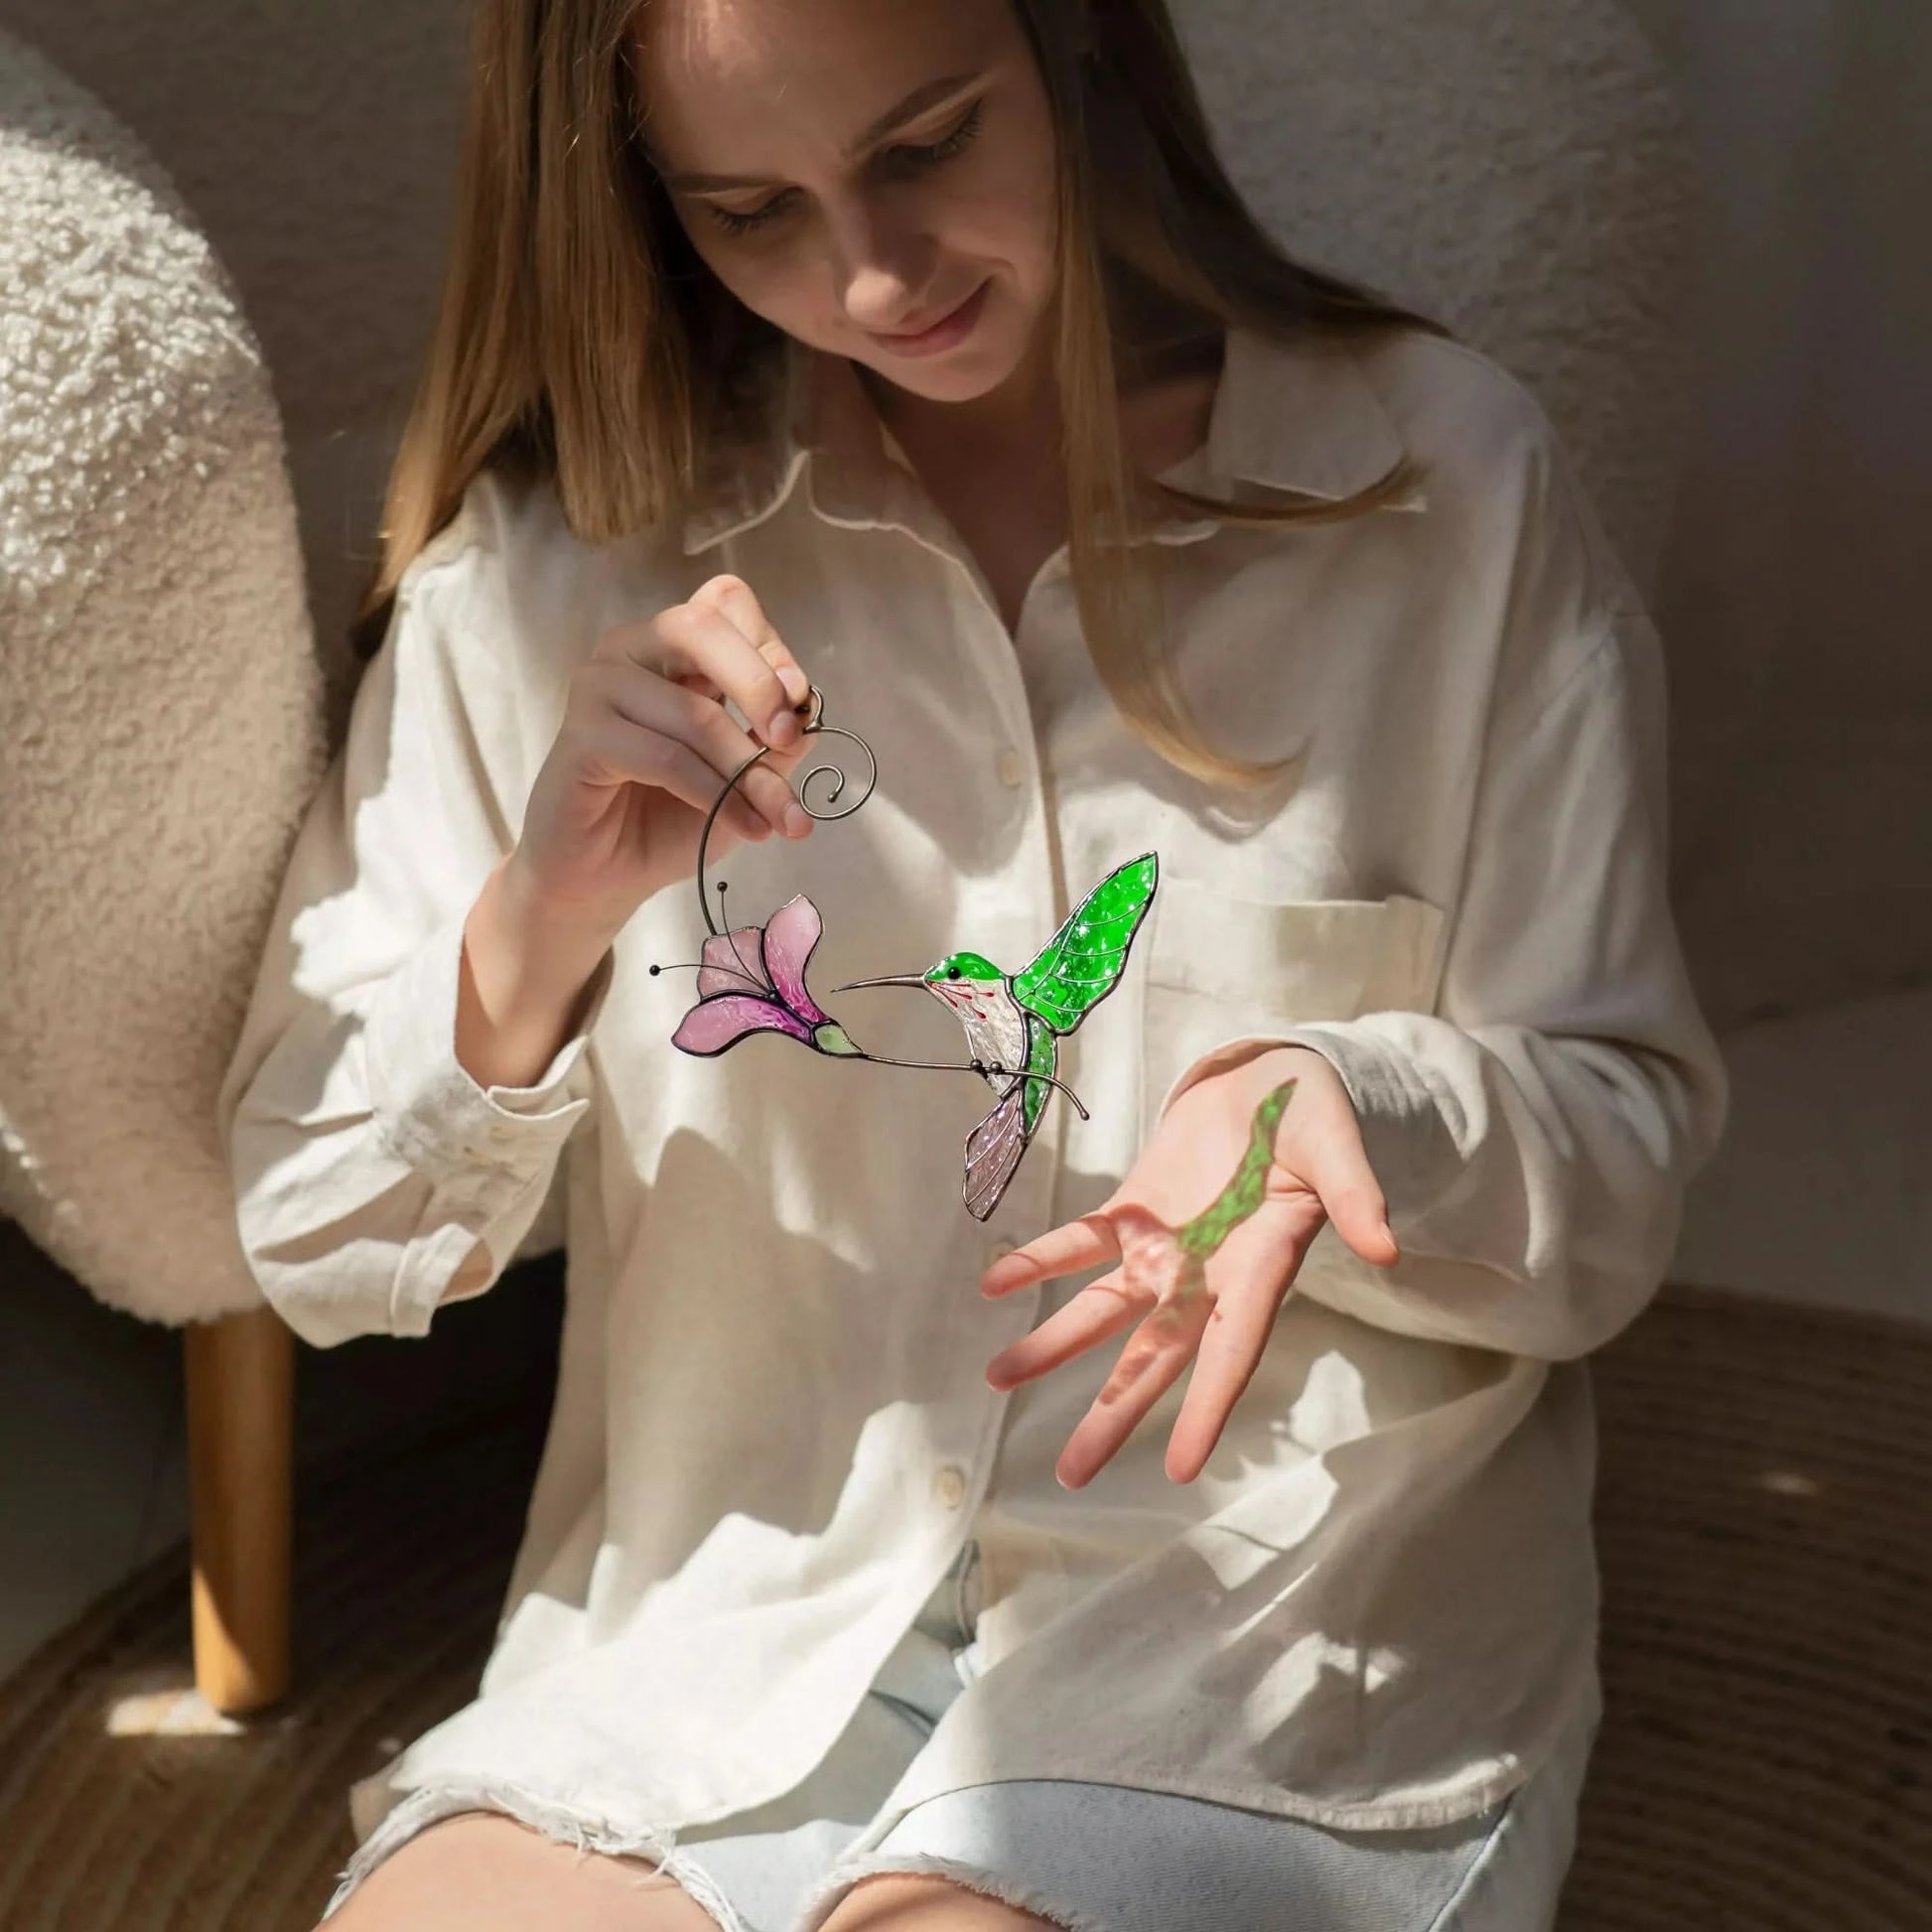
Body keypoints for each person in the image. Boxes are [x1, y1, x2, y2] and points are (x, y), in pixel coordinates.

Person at [215, 0, 1730, 1927]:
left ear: (1072, 39)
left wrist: (1349, 1102)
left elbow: (1616, 1157)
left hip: (1256, 1642)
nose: (868, 271)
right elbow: (316, 1227)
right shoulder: (557, 574)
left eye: (924, 145)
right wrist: (543, 919)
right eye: (749, 208)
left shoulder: (1442, 492)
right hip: (709, 1648)